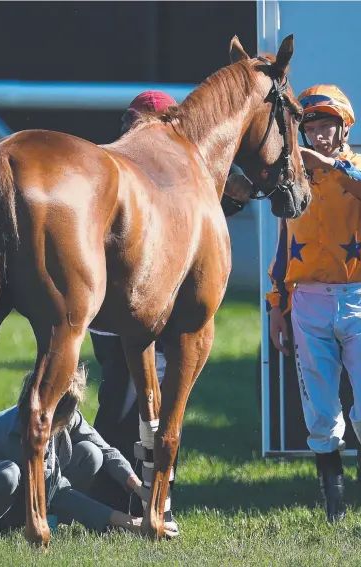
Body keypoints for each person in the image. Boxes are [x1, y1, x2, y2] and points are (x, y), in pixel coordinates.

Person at [88, 90, 252, 517]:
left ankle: (149, 493)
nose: (136, 132)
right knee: (126, 402)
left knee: (147, 405)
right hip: (124, 317)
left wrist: (231, 194)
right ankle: (118, 494)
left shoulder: (165, 176)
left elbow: (188, 224)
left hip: (147, 316)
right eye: (133, 123)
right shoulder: (127, 177)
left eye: (143, 123)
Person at [266, 85, 361, 522]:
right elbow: (284, 248)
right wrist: (275, 307)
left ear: (344, 127)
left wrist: (331, 164)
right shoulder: (295, 179)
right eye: (311, 128)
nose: (317, 136)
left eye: (326, 127)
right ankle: (333, 498)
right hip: (308, 303)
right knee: (320, 411)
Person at [0, 367, 151, 537]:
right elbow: (58, 492)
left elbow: (106, 450)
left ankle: (49, 522)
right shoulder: (18, 434)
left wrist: (140, 488)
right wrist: (131, 522)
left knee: (92, 454)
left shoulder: (64, 416)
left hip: (10, 496)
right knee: (9, 474)